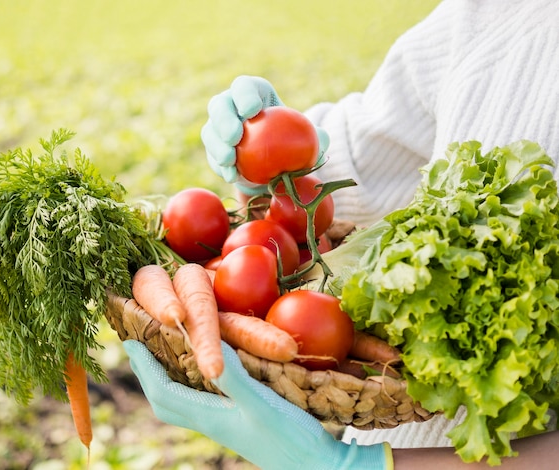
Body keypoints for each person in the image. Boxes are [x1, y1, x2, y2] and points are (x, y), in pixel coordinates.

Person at [125, 0, 559, 467]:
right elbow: (373, 153)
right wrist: (277, 173)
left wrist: (352, 466)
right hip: (385, 427)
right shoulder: (495, 12)